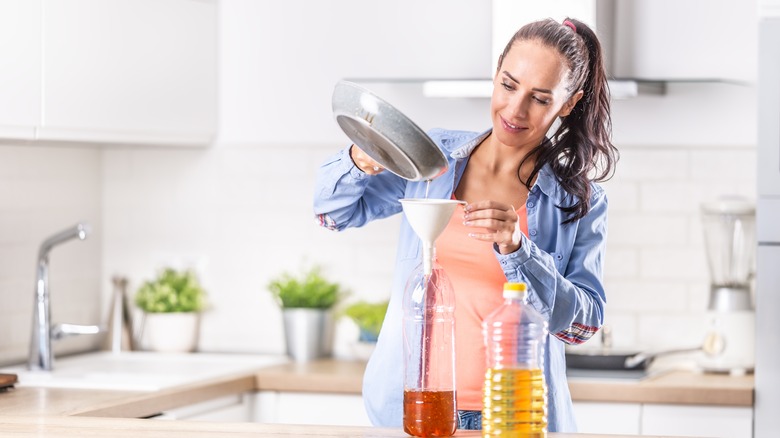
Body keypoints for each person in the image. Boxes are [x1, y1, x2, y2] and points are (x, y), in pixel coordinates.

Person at [313, 17, 617, 432]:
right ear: (495, 74)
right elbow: (332, 214)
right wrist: (359, 158)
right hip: (413, 411)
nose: (515, 109)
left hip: (515, 419)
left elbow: (583, 325)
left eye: (540, 99)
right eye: (508, 85)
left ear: (568, 103)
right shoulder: (432, 159)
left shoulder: (578, 200)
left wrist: (518, 248)